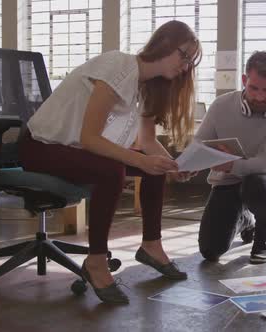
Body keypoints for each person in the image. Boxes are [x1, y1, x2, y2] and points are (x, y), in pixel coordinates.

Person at [19, 20, 201, 304]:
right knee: (114, 169)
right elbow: (90, 138)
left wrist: (174, 165)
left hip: (74, 150)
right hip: (41, 146)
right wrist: (141, 161)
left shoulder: (149, 87)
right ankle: (96, 260)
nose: (187, 66)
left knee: (149, 166)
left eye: (191, 61)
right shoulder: (119, 65)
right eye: (185, 56)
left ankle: (151, 245)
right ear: (165, 44)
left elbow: (148, 142)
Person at [194, 51, 266, 264]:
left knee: (258, 182)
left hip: (264, 181)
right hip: (227, 182)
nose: (260, 97)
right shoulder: (220, 106)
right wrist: (194, 163)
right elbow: (199, 146)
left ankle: (263, 237)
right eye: (253, 88)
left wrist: (230, 164)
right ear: (244, 81)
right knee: (210, 250)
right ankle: (246, 220)